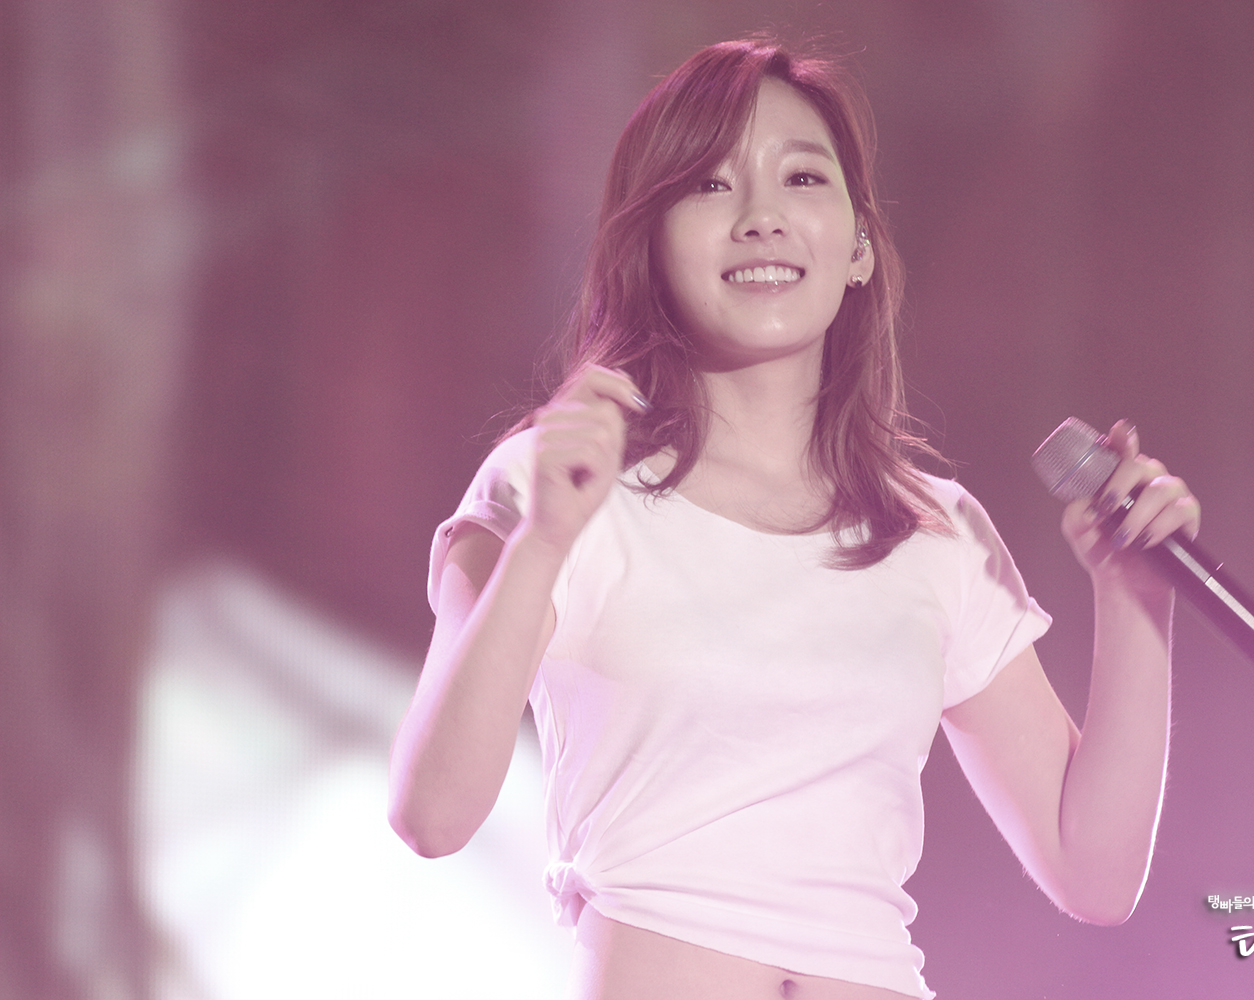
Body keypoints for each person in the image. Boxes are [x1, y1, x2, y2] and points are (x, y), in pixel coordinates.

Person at [389, 36, 1199, 1000]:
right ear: (649, 244)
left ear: (859, 245)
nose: (762, 217)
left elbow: (1093, 873)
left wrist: (1136, 599)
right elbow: (432, 815)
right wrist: (543, 543)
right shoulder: (560, 482)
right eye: (711, 185)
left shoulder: (934, 531)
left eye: (803, 178)